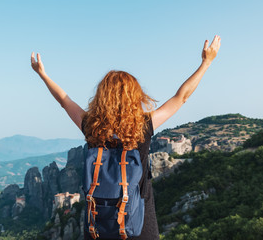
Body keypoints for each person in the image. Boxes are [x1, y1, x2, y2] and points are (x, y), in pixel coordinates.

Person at [31, 35, 221, 240]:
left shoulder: (91, 126)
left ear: (102, 96)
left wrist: (42, 74)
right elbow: (181, 97)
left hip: (98, 226)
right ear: (135, 95)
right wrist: (206, 63)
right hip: (139, 225)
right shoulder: (143, 126)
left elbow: (64, 100)